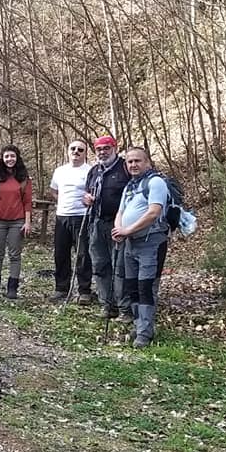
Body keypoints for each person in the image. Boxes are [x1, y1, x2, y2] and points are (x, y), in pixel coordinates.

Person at [112, 146, 170, 348]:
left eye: (138, 161)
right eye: (130, 162)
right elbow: (120, 212)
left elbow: (153, 212)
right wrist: (119, 230)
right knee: (132, 287)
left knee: (146, 287)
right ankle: (139, 325)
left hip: (151, 243)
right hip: (131, 243)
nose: (133, 165)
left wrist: (127, 230)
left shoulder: (156, 182)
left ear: (147, 162)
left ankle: (145, 333)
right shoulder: (130, 186)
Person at [83, 135, 132, 319]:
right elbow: (86, 194)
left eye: (106, 148)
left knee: (120, 267)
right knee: (99, 264)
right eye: (99, 149)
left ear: (114, 148)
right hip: (96, 223)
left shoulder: (125, 167)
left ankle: (125, 308)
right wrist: (86, 199)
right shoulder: (94, 171)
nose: (102, 152)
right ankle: (107, 304)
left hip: (119, 224)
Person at [48, 140, 94, 304]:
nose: (76, 152)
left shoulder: (91, 171)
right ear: (68, 151)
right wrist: (62, 202)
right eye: (73, 149)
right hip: (62, 216)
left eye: (80, 149)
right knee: (60, 253)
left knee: (83, 254)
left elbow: (94, 192)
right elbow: (54, 190)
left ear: (85, 153)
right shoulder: (60, 171)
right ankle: (61, 288)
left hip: (82, 217)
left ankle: (84, 291)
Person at [0, 144, 33, 300]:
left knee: (14, 255)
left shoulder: (24, 178)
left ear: (17, 158)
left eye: (12, 156)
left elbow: (27, 201)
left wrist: (27, 222)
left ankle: (12, 288)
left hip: (17, 221)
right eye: (6, 156)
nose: (9, 159)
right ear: (2, 158)